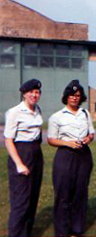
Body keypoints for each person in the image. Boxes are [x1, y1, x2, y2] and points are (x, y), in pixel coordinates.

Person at [47, 79, 94, 237]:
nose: (74, 98)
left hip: (83, 155)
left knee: (80, 193)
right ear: (66, 97)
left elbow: (91, 134)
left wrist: (88, 139)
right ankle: (62, 231)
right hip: (65, 156)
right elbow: (51, 140)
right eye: (72, 95)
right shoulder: (57, 117)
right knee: (63, 193)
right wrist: (67, 143)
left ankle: (77, 229)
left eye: (78, 95)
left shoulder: (85, 114)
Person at [4, 79, 43, 237]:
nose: (34, 95)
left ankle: (26, 233)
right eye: (31, 92)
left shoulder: (37, 109)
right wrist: (19, 163)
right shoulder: (14, 112)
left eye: (37, 92)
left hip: (35, 152)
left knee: (33, 198)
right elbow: (8, 140)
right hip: (20, 152)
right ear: (24, 94)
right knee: (21, 200)